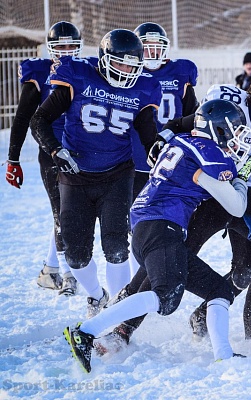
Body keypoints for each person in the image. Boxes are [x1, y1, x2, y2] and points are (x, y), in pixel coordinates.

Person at [100, 65, 251, 348]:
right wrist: (163, 138)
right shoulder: (231, 107)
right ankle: (122, 328)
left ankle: (204, 313)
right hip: (210, 198)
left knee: (245, 270)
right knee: (173, 257)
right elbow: (185, 124)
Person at [63, 99, 251, 373]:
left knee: (218, 290)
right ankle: (87, 330)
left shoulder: (182, 142)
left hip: (153, 226)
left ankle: (224, 354)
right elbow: (236, 206)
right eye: (233, 132)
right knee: (165, 297)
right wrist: (240, 180)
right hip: (161, 226)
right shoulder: (209, 152)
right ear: (217, 129)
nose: (236, 141)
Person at [30, 29, 162, 318]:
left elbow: (147, 133)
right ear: (105, 59)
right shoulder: (78, 76)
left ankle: (118, 310)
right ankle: (97, 296)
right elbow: (39, 119)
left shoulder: (142, 89)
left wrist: (157, 149)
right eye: (121, 63)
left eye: (132, 65)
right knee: (75, 254)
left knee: (116, 245)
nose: (127, 70)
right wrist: (54, 150)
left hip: (117, 174)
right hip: (75, 174)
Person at [5, 21, 83, 296]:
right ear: (50, 48)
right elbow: (24, 116)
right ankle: (66, 274)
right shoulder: (39, 72)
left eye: (71, 46)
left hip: (82, 149)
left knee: (72, 211)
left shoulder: (86, 68)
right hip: (51, 150)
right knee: (63, 212)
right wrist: (13, 158)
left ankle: (49, 270)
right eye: (60, 46)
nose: (65, 51)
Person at [127, 22, 199, 277]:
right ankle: (139, 283)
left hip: (172, 164)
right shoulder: (126, 74)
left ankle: (161, 274)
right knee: (138, 227)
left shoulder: (180, 74)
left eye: (157, 48)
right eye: (147, 48)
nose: (152, 54)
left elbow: (193, 116)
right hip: (135, 161)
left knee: (170, 224)